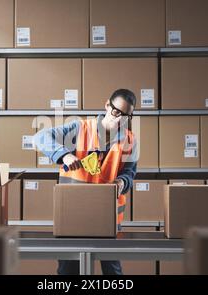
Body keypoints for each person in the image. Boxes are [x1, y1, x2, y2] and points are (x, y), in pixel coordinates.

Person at [34, 89, 138, 275]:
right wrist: (64, 155)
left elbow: (130, 174)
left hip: (109, 216)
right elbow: (40, 137)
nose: (119, 119)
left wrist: (122, 183)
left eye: (127, 116)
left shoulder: (130, 140)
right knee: (68, 272)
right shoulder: (80, 128)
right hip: (73, 215)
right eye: (116, 112)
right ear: (107, 105)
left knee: (113, 273)